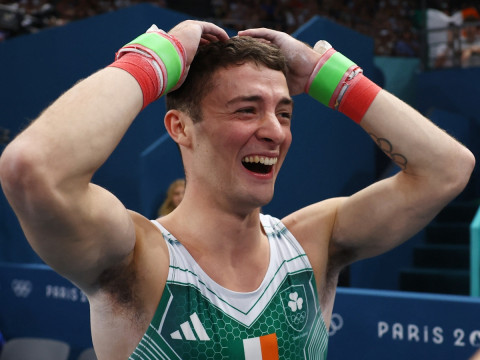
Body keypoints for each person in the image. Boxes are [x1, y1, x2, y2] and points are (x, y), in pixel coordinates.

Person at [0, 19, 475, 359]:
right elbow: (33, 168)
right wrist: (155, 59)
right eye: (247, 109)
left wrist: (325, 76)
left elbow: (448, 167)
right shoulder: (136, 259)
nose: (275, 131)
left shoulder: (313, 243)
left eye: (284, 112)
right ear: (181, 128)